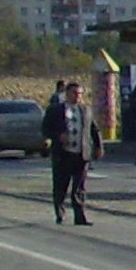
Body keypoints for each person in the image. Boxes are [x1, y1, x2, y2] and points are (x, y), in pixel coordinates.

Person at [43, 79, 102, 226]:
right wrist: (58, 135)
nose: (78, 96)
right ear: (67, 94)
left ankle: (79, 216)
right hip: (63, 154)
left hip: (81, 154)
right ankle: (60, 213)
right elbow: (45, 129)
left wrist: (99, 146)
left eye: (80, 94)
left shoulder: (86, 110)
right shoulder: (56, 110)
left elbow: (94, 130)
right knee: (61, 186)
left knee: (79, 187)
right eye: (74, 93)